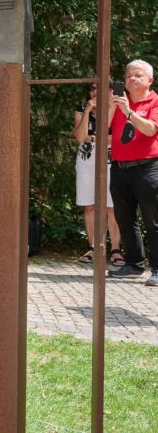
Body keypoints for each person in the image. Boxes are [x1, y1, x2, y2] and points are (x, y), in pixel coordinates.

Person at [106, 59, 158, 287]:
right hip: (120, 168)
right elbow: (104, 126)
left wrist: (128, 113)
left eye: (137, 75)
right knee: (125, 219)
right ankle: (134, 264)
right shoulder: (118, 101)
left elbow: (149, 129)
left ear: (150, 80)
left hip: (148, 168)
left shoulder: (155, 101)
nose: (132, 79)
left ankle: (157, 269)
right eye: (128, 76)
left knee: (154, 220)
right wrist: (112, 105)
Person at [74, 83, 122, 265]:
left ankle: (115, 250)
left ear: (110, 90)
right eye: (92, 88)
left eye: (100, 87)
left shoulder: (118, 106)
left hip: (111, 161)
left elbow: (114, 137)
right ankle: (93, 247)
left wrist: (92, 137)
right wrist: (87, 110)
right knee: (90, 206)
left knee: (112, 207)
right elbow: (79, 137)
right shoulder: (82, 109)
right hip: (86, 161)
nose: (95, 92)